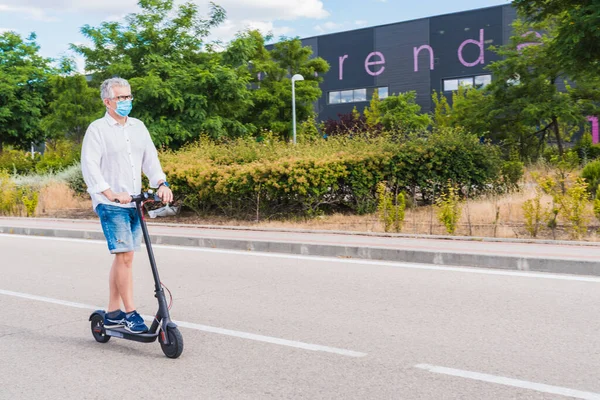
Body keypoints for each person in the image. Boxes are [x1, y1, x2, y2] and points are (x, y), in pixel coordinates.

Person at [81, 77, 173, 334]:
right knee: (126, 258)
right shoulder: (97, 129)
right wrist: (109, 193)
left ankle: (112, 313)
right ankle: (131, 314)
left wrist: (162, 183)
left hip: (134, 203)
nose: (126, 102)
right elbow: (89, 166)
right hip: (110, 204)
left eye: (128, 97)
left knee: (124, 258)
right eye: (120, 98)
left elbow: (150, 160)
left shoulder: (138, 127)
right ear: (107, 101)